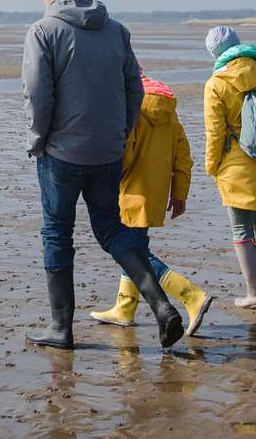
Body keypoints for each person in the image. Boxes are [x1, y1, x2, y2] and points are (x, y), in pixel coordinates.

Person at [22, 0, 186, 350]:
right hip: (107, 152)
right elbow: (135, 89)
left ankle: (61, 328)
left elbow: (37, 94)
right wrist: (120, 133)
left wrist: (37, 139)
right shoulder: (115, 30)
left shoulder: (43, 30)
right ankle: (162, 308)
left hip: (62, 152)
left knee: (56, 231)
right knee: (113, 230)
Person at [86, 71, 215, 336]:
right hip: (155, 193)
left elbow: (124, 152)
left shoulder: (129, 104)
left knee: (132, 253)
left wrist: (102, 181)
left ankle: (190, 295)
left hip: (130, 192)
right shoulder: (167, 106)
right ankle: (125, 307)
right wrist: (179, 194)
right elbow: (182, 153)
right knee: (134, 246)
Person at [202, 26, 256, 309]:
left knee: (240, 229)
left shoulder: (216, 83)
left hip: (236, 164)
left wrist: (211, 166)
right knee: (254, 222)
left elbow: (215, 133)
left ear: (215, 53)